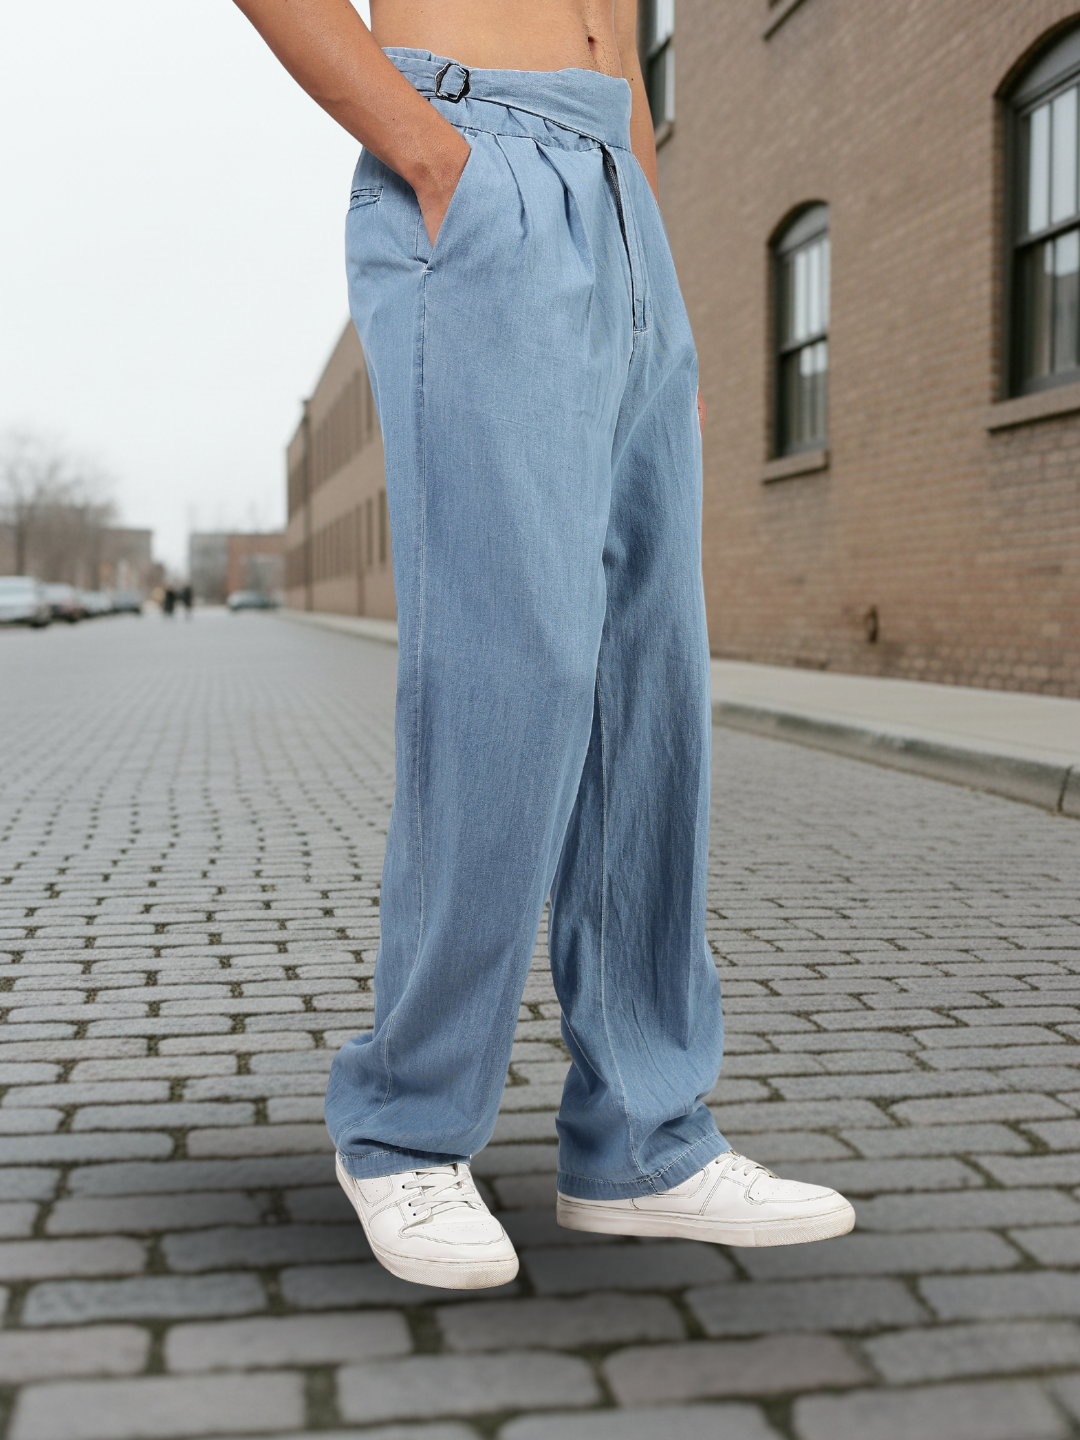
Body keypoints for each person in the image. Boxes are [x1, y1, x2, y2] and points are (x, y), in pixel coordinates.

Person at [233, 0, 856, 1290]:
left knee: (650, 679)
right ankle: (405, 1125)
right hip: (472, 158)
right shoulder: (446, 163)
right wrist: (424, 147)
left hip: (622, 197)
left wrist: (650, 268)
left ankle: (642, 1141)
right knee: (514, 672)